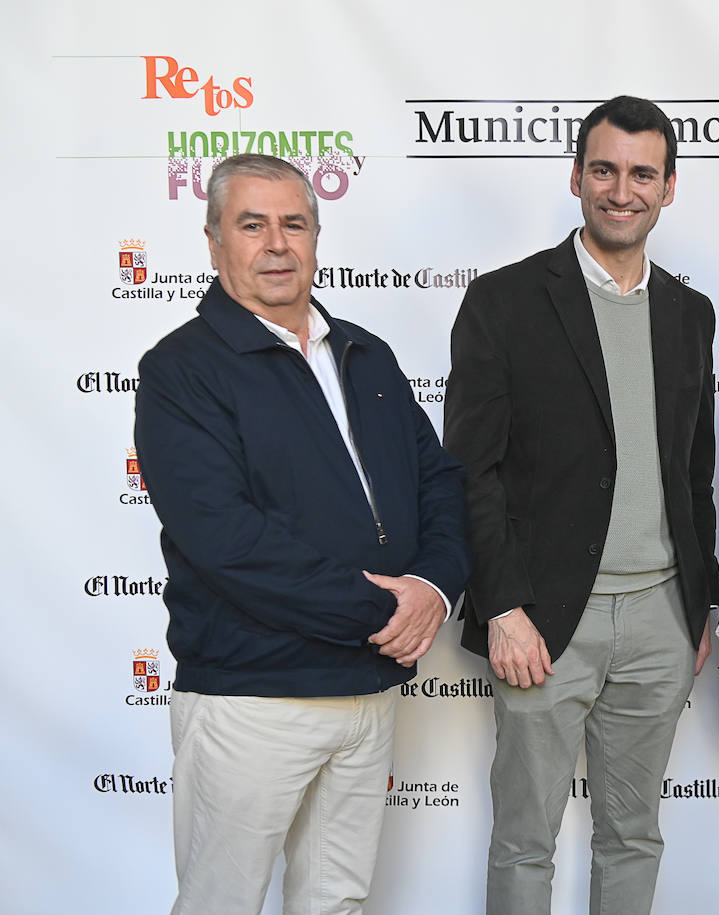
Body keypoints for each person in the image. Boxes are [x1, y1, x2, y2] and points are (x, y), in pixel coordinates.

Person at [134, 153, 471, 915]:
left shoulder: (365, 354)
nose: (277, 243)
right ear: (215, 240)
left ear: (317, 236)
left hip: (369, 695)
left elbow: (439, 484)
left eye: (294, 223)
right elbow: (225, 538)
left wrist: (432, 587)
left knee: (337, 902)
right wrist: (385, 614)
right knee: (223, 902)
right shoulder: (180, 371)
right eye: (253, 225)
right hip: (254, 697)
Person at [443, 95, 718, 915]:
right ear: (576, 177)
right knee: (526, 840)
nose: (621, 189)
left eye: (642, 173)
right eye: (604, 169)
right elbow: (471, 471)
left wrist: (699, 603)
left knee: (634, 835)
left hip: (663, 618)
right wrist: (503, 605)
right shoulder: (504, 301)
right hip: (544, 621)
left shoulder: (689, 313)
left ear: (669, 187)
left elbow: (694, 470)